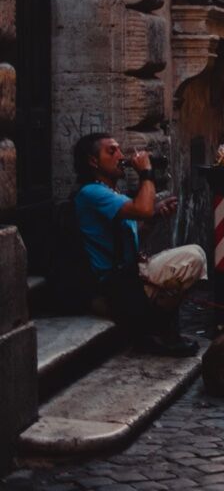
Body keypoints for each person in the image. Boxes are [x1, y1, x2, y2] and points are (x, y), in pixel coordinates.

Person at [72, 134, 204, 356]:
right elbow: (143, 208)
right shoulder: (92, 193)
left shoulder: (111, 194)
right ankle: (152, 331)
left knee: (190, 258)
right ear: (93, 161)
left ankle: (154, 329)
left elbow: (133, 235)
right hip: (112, 287)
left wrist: (154, 219)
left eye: (119, 150)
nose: (121, 156)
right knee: (193, 257)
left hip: (127, 276)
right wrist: (146, 172)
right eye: (111, 151)